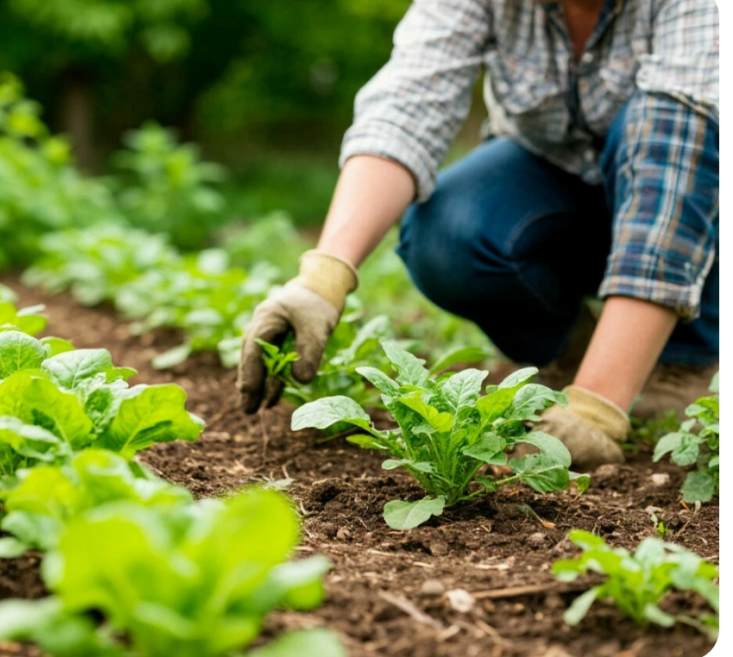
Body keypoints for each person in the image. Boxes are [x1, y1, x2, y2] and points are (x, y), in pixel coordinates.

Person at [236, 0, 719, 470]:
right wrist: (323, 279)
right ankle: (577, 352)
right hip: (566, 191)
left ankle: (686, 360)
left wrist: (597, 407)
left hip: (698, 214)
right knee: (447, 231)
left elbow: (671, 172)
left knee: (671, 130)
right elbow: (407, 107)